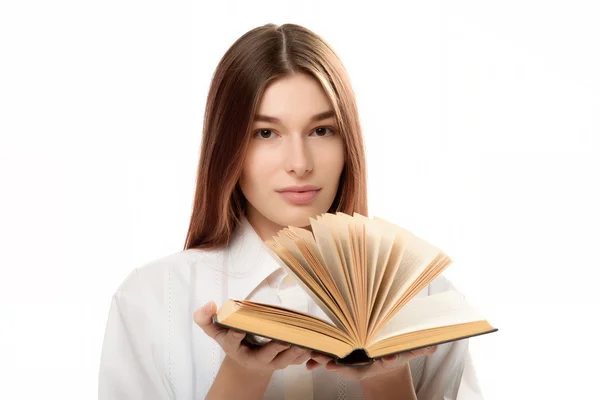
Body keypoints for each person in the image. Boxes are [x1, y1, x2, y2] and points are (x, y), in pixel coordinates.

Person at [98, 23, 485, 399]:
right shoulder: (151, 300)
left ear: (348, 142)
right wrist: (242, 377)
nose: (299, 163)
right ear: (228, 147)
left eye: (322, 131)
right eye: (266, 133)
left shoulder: (426, 300)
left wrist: (388, 383)